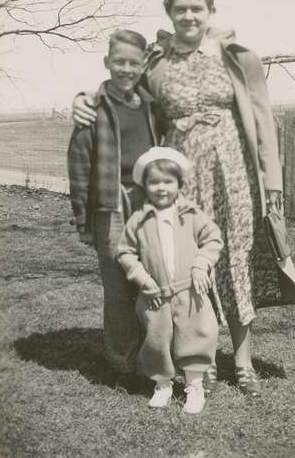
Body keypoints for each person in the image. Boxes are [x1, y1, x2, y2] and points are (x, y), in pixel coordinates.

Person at [72, 0, 295, 396]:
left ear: (210, 11)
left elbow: (263, 123)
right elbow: (123, 89)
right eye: (180, 9)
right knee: (185, 265)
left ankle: (242, 362)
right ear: (170, 13)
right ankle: (196, 358)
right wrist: (85, 98)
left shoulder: (238, 57)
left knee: (238, 261)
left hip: (235, 175)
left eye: (196, 8)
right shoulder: (157, 62)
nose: (188, 15)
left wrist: (273, 182)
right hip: (179, 178)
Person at [67, 29, 164, 382]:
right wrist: (83, 220)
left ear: (143, 66)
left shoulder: (152, 106)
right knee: (118, 285)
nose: (126, 69)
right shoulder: (93, 108)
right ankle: (122, 361)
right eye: (119, 61)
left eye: (133, 63)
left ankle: (154, 356)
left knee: (151, 277)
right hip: (111, 204)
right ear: (107, 62)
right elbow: (78, 166)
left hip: (149, 202)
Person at [117, 147, 223, 414]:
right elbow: (125, 252)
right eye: (154, 182)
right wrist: (141, 278)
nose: (161, 188)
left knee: (196, 336)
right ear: (145, 185)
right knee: (156, 339)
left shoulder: (191, 214)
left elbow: (213, 239)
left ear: (179, 184)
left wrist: (201, 266)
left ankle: (194, 386)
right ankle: (162, 384)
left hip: (190, 292)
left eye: (168, 182)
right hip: (154, 294)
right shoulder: (139, 220)